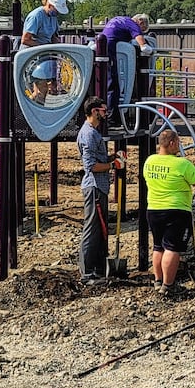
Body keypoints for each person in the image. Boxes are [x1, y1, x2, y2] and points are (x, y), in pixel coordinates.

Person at [143, 126, 195, 294]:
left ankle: (158, 280)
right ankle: (168, 286)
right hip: (176, 210)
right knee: (172, 247)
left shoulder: (149, 161)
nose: (179, 146)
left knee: (157, 246)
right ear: (171, 143)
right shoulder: (182, 164)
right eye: (177, 143)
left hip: (154, 209)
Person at [76, 96, 121, 283]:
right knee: (92, 229)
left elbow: (98, 160)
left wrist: (112, 157)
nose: (105, 113)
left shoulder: (93, 132)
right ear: (94, 112)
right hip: (94, 187)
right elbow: (91, 166)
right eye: (103, 110)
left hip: (99, 187)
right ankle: (87, 273)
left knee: (100, 229)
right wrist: (113, 166)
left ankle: (98, 269)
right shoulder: (89, 134)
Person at [20, 0, 70, 104]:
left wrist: (61, 49)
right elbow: (25, 40)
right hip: (31, 58)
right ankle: (38, 115)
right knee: (42, 90)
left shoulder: (53, 18)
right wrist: (45, 48)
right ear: (50, 5)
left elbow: (54, 37)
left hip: (43, 58)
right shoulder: (36, 16)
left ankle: (23, 115)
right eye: (56, 10)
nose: (57, 13)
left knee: (38, 92)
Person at [100, 13, 152, 118]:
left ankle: (108, 112)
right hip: (110, 50)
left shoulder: (118, 19)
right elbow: (143, 45)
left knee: (106, 81)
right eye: (143, 29)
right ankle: (112, 115)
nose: (141, 31)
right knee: (113, 83)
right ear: (140, 21)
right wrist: (151, 51)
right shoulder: (133, 24)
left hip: (103, 47)